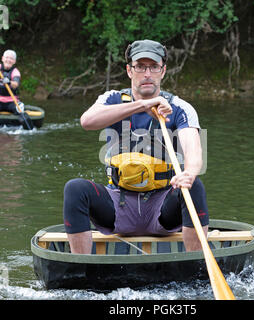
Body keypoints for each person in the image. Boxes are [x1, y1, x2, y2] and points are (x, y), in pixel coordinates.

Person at [63, 39, 209, 254]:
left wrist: (189, 173)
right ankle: (80, 267)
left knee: (194, 184)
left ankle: (195, 264)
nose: (147, 73)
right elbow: (87, 121)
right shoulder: (112, 99)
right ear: (130, 71)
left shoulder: (179, 108)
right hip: (118, 204)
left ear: (163, 71)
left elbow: (194, 152)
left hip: (163, 207)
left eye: (153, 67)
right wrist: (142, 105)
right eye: (140, 67)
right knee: (74, 188)